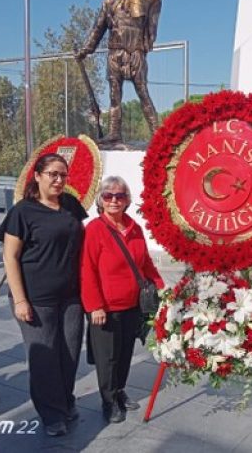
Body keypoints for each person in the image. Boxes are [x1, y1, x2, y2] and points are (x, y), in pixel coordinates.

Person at [0, 153, 88, 436]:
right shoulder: (22, 212)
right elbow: (10, 257)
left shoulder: (71, 205)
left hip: (71, 296)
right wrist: (20, 299)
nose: (59, 180)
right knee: (44, 359)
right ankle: (51, 414)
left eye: (63, 175)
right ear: (37, 176)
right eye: (53, 174)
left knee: (69, 354)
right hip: (36, 299)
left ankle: (66, 400)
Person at [75, 0, 202, 145]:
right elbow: (97, 29)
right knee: (114, 96)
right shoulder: (108, 2)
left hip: (135, 53)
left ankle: (158, 133)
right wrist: (86, 50)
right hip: (114, 54)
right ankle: (114, 133)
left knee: (143, 93)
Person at [80, 176, 164, 423]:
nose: (114, 200)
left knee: (125, 352)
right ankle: (108, 401)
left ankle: (119, 391)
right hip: (105, 307)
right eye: (108, 196)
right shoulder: (95, 229)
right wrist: (94, 305)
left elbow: (145, 262)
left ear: (127, 200)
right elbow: (87, 269)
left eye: (119, 196)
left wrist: (160, 286)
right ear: (101, 200)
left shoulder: (134, 226)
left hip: (132, 304)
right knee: (108, 358)